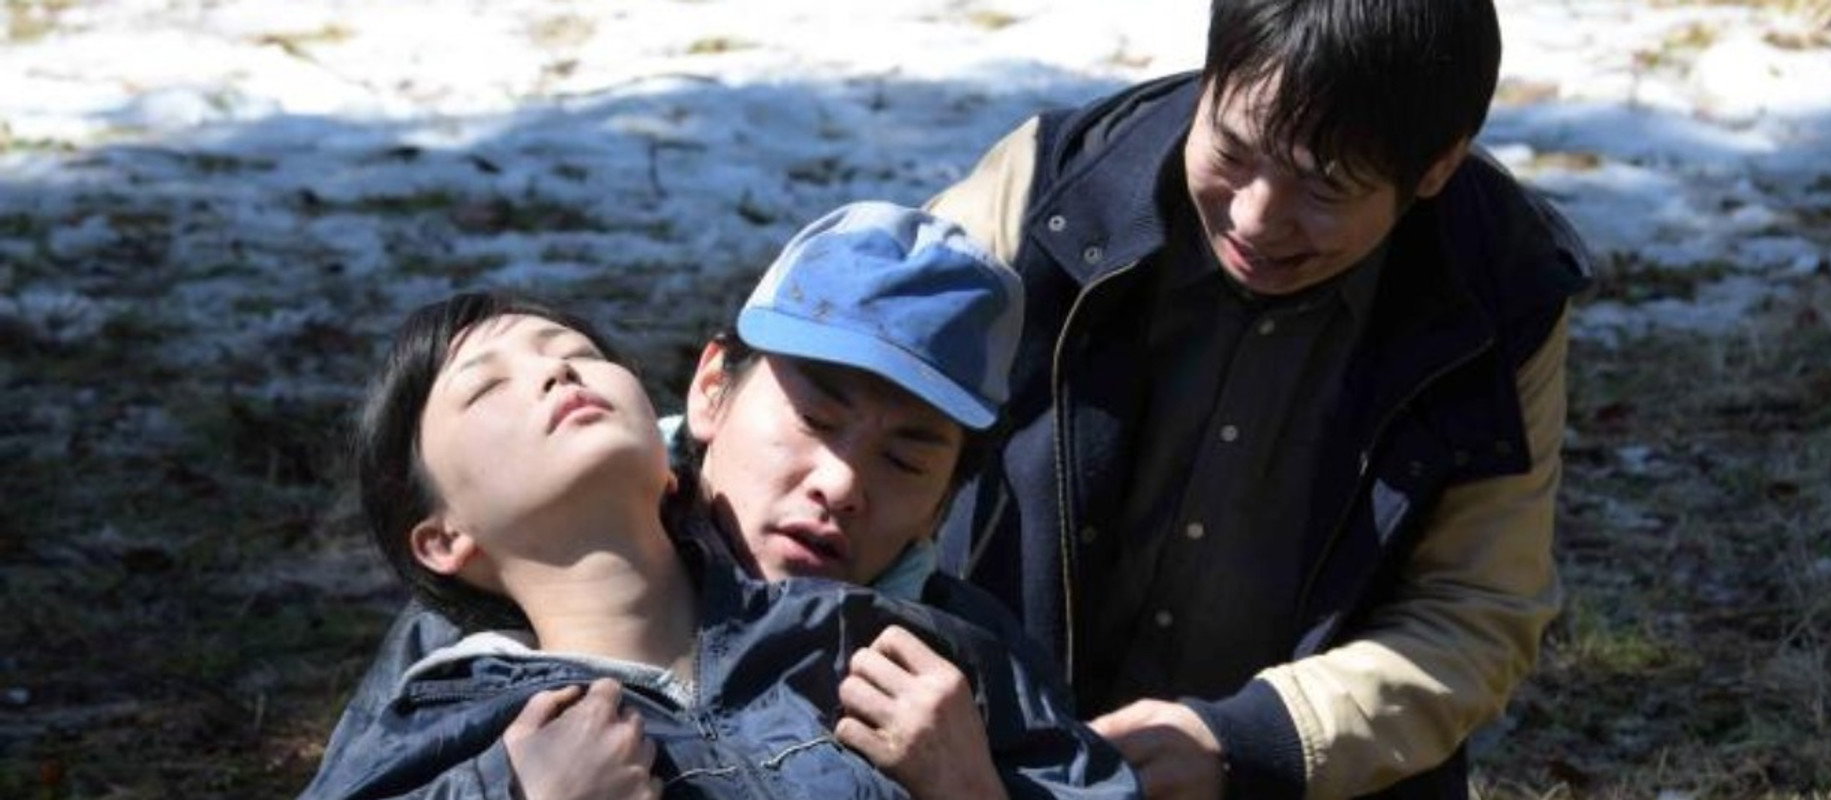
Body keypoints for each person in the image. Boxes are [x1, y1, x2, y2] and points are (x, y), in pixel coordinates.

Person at [924, 0, 1592, 797]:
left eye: (1325, 187)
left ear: (1435, 169)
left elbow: (1478, 605)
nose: (1255, 219)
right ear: (1211, 78)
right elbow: (841, 427)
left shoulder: (1497, 292)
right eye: (1233, 151)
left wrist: (1258, 739)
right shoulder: (1051, 189)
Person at [302, 203, 1135, 800]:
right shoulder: (462, 662)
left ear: (942, 510)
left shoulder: (948, 663)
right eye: (814, 419)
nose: (841, 485)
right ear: (709, 393)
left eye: (907, 460)